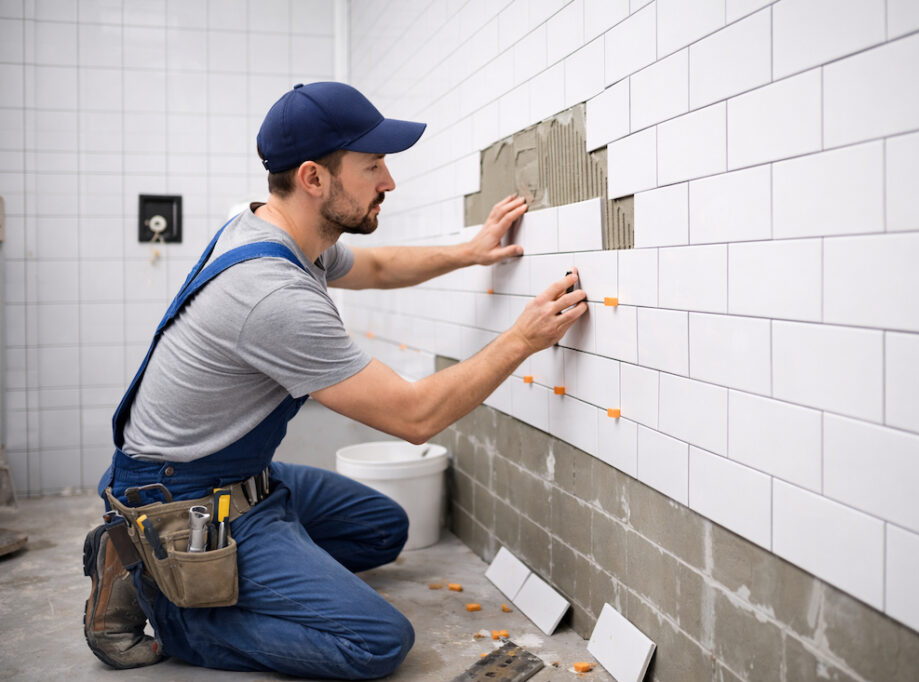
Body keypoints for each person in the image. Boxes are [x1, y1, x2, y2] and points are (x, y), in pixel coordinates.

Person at [81, 81, 588, 678]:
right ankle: (176, 606)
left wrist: (469, 252)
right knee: (376, 642)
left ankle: (230, 565)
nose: (389, 181)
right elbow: (414, 416)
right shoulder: (271, 294)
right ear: (313, 179)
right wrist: (523, 339)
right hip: (184, 497)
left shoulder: (278, 231)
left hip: (240, 479)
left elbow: (372, 265)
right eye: (372, 165)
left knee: (382, 527)